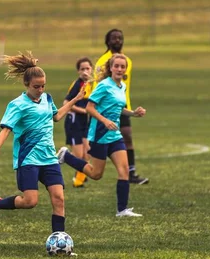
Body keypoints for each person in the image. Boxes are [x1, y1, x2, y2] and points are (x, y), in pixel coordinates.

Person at [0, 51, 85, 239]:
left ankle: (59, 240)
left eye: (43, 86)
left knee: (59, 198)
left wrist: (75, 101)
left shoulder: (47, 98)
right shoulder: (17, 105)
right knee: (30, 201)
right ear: (26, 84)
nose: (41, 89)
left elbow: (56, 116)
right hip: (28, 159)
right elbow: (6, 129)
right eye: (37, 86)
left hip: (49, 157)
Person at [57, 54, 146, 217]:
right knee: (96, 174)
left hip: (115, 134)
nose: (119, 69)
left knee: (124, 170)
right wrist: (105, 121)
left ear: (126, 69)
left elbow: (118, 108)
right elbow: (90, 108)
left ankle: (122, 210)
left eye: (122, 66)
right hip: (99, 134)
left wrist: (133, 113)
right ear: (110, 68)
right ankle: (66, 156)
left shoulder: (122, 87)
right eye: (116, 66)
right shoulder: (104, 86)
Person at [95, 28, 149, 185]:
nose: (117, 40)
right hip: (106, 109)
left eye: (120, 38)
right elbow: (99, 85)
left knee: (127, 137)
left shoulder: (127, 60)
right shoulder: (102, 61)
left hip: (123, 106)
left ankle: (130, 172)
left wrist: (129, 108)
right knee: (103, 141)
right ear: (108, 41)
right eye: (114, 38)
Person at [63, 57, 96, 188]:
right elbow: (66, 103)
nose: (85, 71)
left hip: (85, 122)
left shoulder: (92, 84)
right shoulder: (77, 84)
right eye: (82, 69)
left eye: (87, 68)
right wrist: (83, 111)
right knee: (78, 154)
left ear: (91, 69)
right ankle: (78, 179)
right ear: (78, 71)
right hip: (74, 122)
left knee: (87, 152)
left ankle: (81, 175)